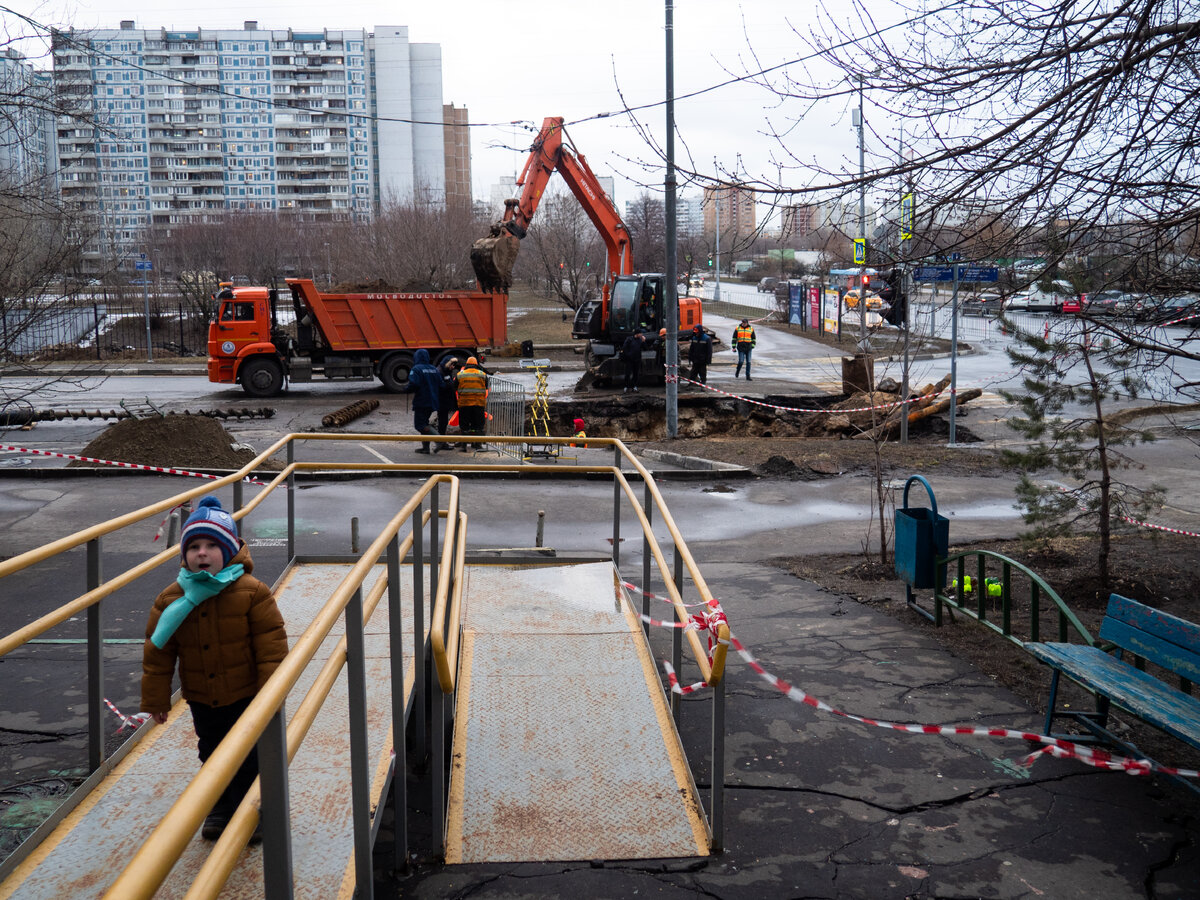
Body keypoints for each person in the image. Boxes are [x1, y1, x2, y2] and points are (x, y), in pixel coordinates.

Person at [140, 497, 289, 841]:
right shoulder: (172, 599)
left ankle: (252, 810)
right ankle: (221, 805)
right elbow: (158, 652)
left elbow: (271, 647)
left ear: (229, 550)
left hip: (246, 694)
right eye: (194, 547)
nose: (202, 553)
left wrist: (270, 694)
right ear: (184, 554)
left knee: (250, 755)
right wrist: (156, 699)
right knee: (211, 751)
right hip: (201, 696)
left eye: (211, 545)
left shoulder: (251, 592)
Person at [406, 349, 441, 453]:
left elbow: (414, 384)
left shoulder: (416, 369)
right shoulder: (434, 369)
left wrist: (407, 389)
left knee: (420, 425)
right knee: (424, 423)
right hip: (433, 401)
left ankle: (439, 439)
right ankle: (425, 448)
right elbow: (441, 383)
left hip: (422, 401)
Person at [455, 356, 489, 450]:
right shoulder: (482, 374)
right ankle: (477, 444)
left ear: (466, 365)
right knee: (478, 425)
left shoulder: (460, 374)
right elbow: (486, 387)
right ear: (476, 365)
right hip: (478, 404)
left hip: (464, 404)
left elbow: (455, 387)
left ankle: (464, 446)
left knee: (464, 425)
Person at [436, 356, 461, 451]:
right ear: (448, 363)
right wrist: (450, 385)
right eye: (452, 365)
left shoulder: (445, 371)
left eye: (454, 365)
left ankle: (441, 442)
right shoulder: (440, 371)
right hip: (442, 401)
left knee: (443, 421)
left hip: (444, 401)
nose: (453, 367)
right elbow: (441, 385)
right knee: (442, 422)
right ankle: (441, 442)